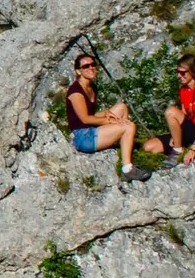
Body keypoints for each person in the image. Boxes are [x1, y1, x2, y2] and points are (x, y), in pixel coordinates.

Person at [65, 53, 152, 182]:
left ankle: (122, 142)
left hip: (91, 129)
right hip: (83, 137)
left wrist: (106, 113)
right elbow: (85, 119)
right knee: (129, 126)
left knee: (121, 107)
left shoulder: (91, 87)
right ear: (78, 71)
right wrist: (109, 120)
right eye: (86, 66)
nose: (91, 68)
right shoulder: (76, 92)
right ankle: (127, 169)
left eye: (93, 64)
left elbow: (92, 113)